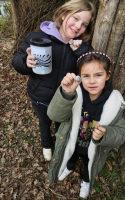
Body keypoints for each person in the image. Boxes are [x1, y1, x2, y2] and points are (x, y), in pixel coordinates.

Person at [12, 0, 96, 161]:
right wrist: (26, 62)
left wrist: (82, 51)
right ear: (64, 15)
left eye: (84, 24)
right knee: (44, 122)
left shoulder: (83, 47)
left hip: (64, 100)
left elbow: (91, 69)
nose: (79, 26)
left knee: (61, 125)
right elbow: (17, 61)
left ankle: (61, 147)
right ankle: (46, 144)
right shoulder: (36, 38)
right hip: (40, 96)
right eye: (76, 18)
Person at [46, 51, 125, 198]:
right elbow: (54, 115)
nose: (92, 81)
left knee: (89, 166)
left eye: (98, 75)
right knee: (72, 157)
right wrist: (66, 94)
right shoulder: (74, 94)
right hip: (73, 144)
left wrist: (105, 133)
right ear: (79, 76)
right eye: (86, 76)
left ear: (108, 75)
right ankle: (68, 167)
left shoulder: (114, 103)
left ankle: (86, 181)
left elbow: (120, 135)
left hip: (93, 150)